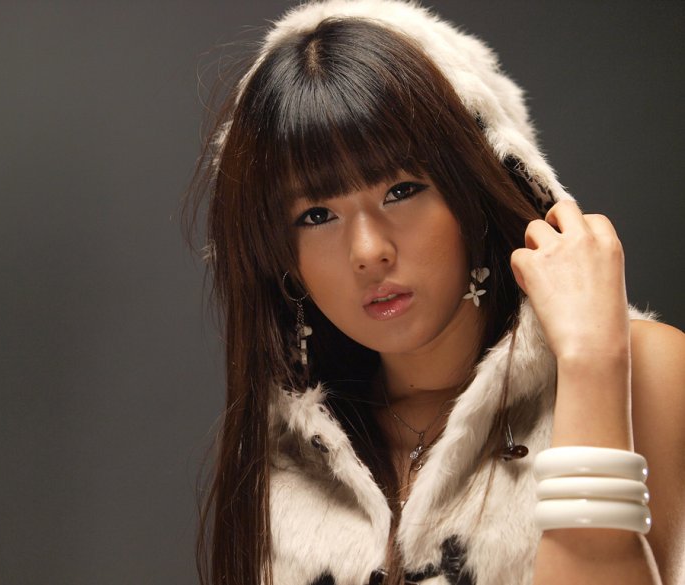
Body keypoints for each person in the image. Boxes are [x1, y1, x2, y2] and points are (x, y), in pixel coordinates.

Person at [186, 1, 685, 584]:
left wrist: (592, 363)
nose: (368, 250)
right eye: (317, 215)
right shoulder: (288, 453)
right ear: (283, 262)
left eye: (401, 190)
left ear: (474, 192)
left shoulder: (640, 368)